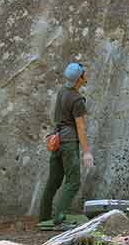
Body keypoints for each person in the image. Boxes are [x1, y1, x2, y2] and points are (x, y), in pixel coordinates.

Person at [37, 62, 94, 230]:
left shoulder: (62, 91)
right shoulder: (77, 99)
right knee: (74, 181)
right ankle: (59, 219)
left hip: (56, 139)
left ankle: (44, 217)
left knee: (53, 180)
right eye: (84, 73)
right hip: (69, 143)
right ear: (79, 79)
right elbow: (80, 127)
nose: (86, 74)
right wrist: (86, 152)